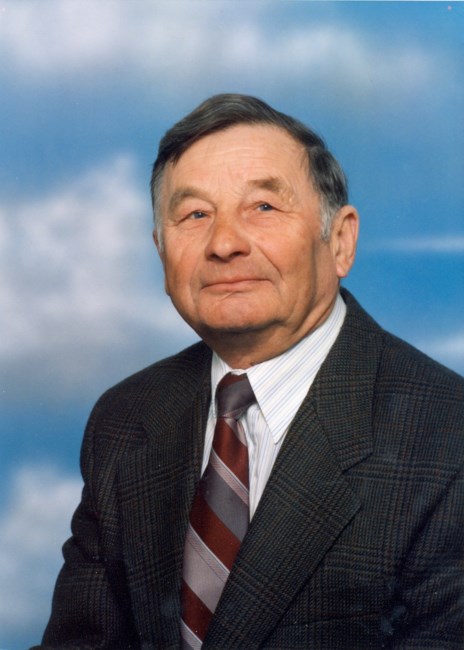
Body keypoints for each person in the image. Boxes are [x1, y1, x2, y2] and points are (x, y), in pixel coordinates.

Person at [34, 94, 463, 649]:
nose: (225, 244)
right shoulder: (125, 417)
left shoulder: (447, 436)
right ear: (161, 252)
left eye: (263, 207)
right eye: (195, 215)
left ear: (340, 241)